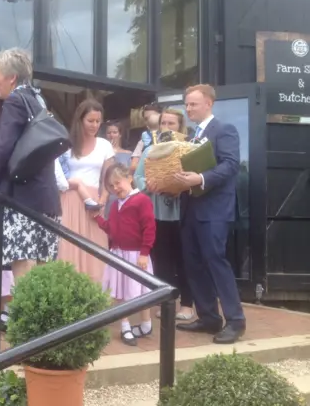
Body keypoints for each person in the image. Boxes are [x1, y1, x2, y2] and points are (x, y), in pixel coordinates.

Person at [0, 48, 61, 329]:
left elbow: (3, 147)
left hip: (23, 199)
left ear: (11, 78)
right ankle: (43, 321)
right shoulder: (38, 98)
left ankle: (29, 324)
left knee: (23, 262)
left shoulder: (15, 101)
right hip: (46, 197)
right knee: (43, 262)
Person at [173, 84, 246, 344]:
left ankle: (235, 321)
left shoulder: (224, 130)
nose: (188, 108)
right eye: (187, 104)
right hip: (190, 209)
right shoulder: (191, 136)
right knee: (194, 264)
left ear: (209, 104)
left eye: (193, 104)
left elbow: (231, 165)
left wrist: (200, 178)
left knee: (216, 261)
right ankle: (208, 317)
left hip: (215, 210)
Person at [134, 108, 194, 320]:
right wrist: (148, 185)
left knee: (184, 259)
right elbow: (137, 176)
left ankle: (187, 304)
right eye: (163, 123)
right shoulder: (150, 151)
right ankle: (165, 302)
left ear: (180, 127)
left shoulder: (188, 149)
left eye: (172, 124)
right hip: (158, 213)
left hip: (182, 213)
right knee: (161, 260)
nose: (166, 128)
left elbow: (196, 177)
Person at [95, 163, 156, 347]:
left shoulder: (141, 200)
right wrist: (97, 218)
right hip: (119, 254)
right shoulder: (114, 205)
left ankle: (146, 324)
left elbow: (149, 227)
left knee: (142, 292)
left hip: (136, 254)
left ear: (129, 178)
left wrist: (145, 252)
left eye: (117, 183)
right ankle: (125, 324)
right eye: (111, 186)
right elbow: (111, 228)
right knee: (121, 292)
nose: (115, 188)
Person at [57, 99, 113, 283]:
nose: (95, 125)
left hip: (93, 202)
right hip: (68, 200)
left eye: (98, 121)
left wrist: (103, 199)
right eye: (90, 120)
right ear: (80, 120)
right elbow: (58, 174)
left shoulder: (105, 145)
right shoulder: (66, 144)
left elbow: (108, 177)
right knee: (68, 249)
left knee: (96, 250)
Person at [104, 120, 133, 218]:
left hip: (123, 193)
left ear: (120, 134)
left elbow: (130, 173)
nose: (111, 135)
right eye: (109, 133)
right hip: (106, 193)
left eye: (115, 132)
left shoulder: (129, 154)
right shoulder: (102, 152)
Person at [130, 104, 162, 173]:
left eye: (152, 117)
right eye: (146, 119)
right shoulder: (144, 139)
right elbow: (133, 166)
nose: (149, 120)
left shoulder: (170, 135)